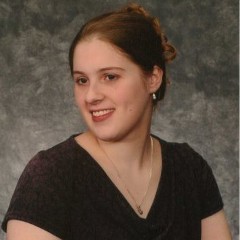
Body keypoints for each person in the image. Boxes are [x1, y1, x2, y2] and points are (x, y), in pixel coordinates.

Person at [2, 3, 232, 240]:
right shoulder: (49, 177)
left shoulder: (190, 170)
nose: (91, 96)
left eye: (109, 77)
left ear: (153, 79)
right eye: (82, 80)